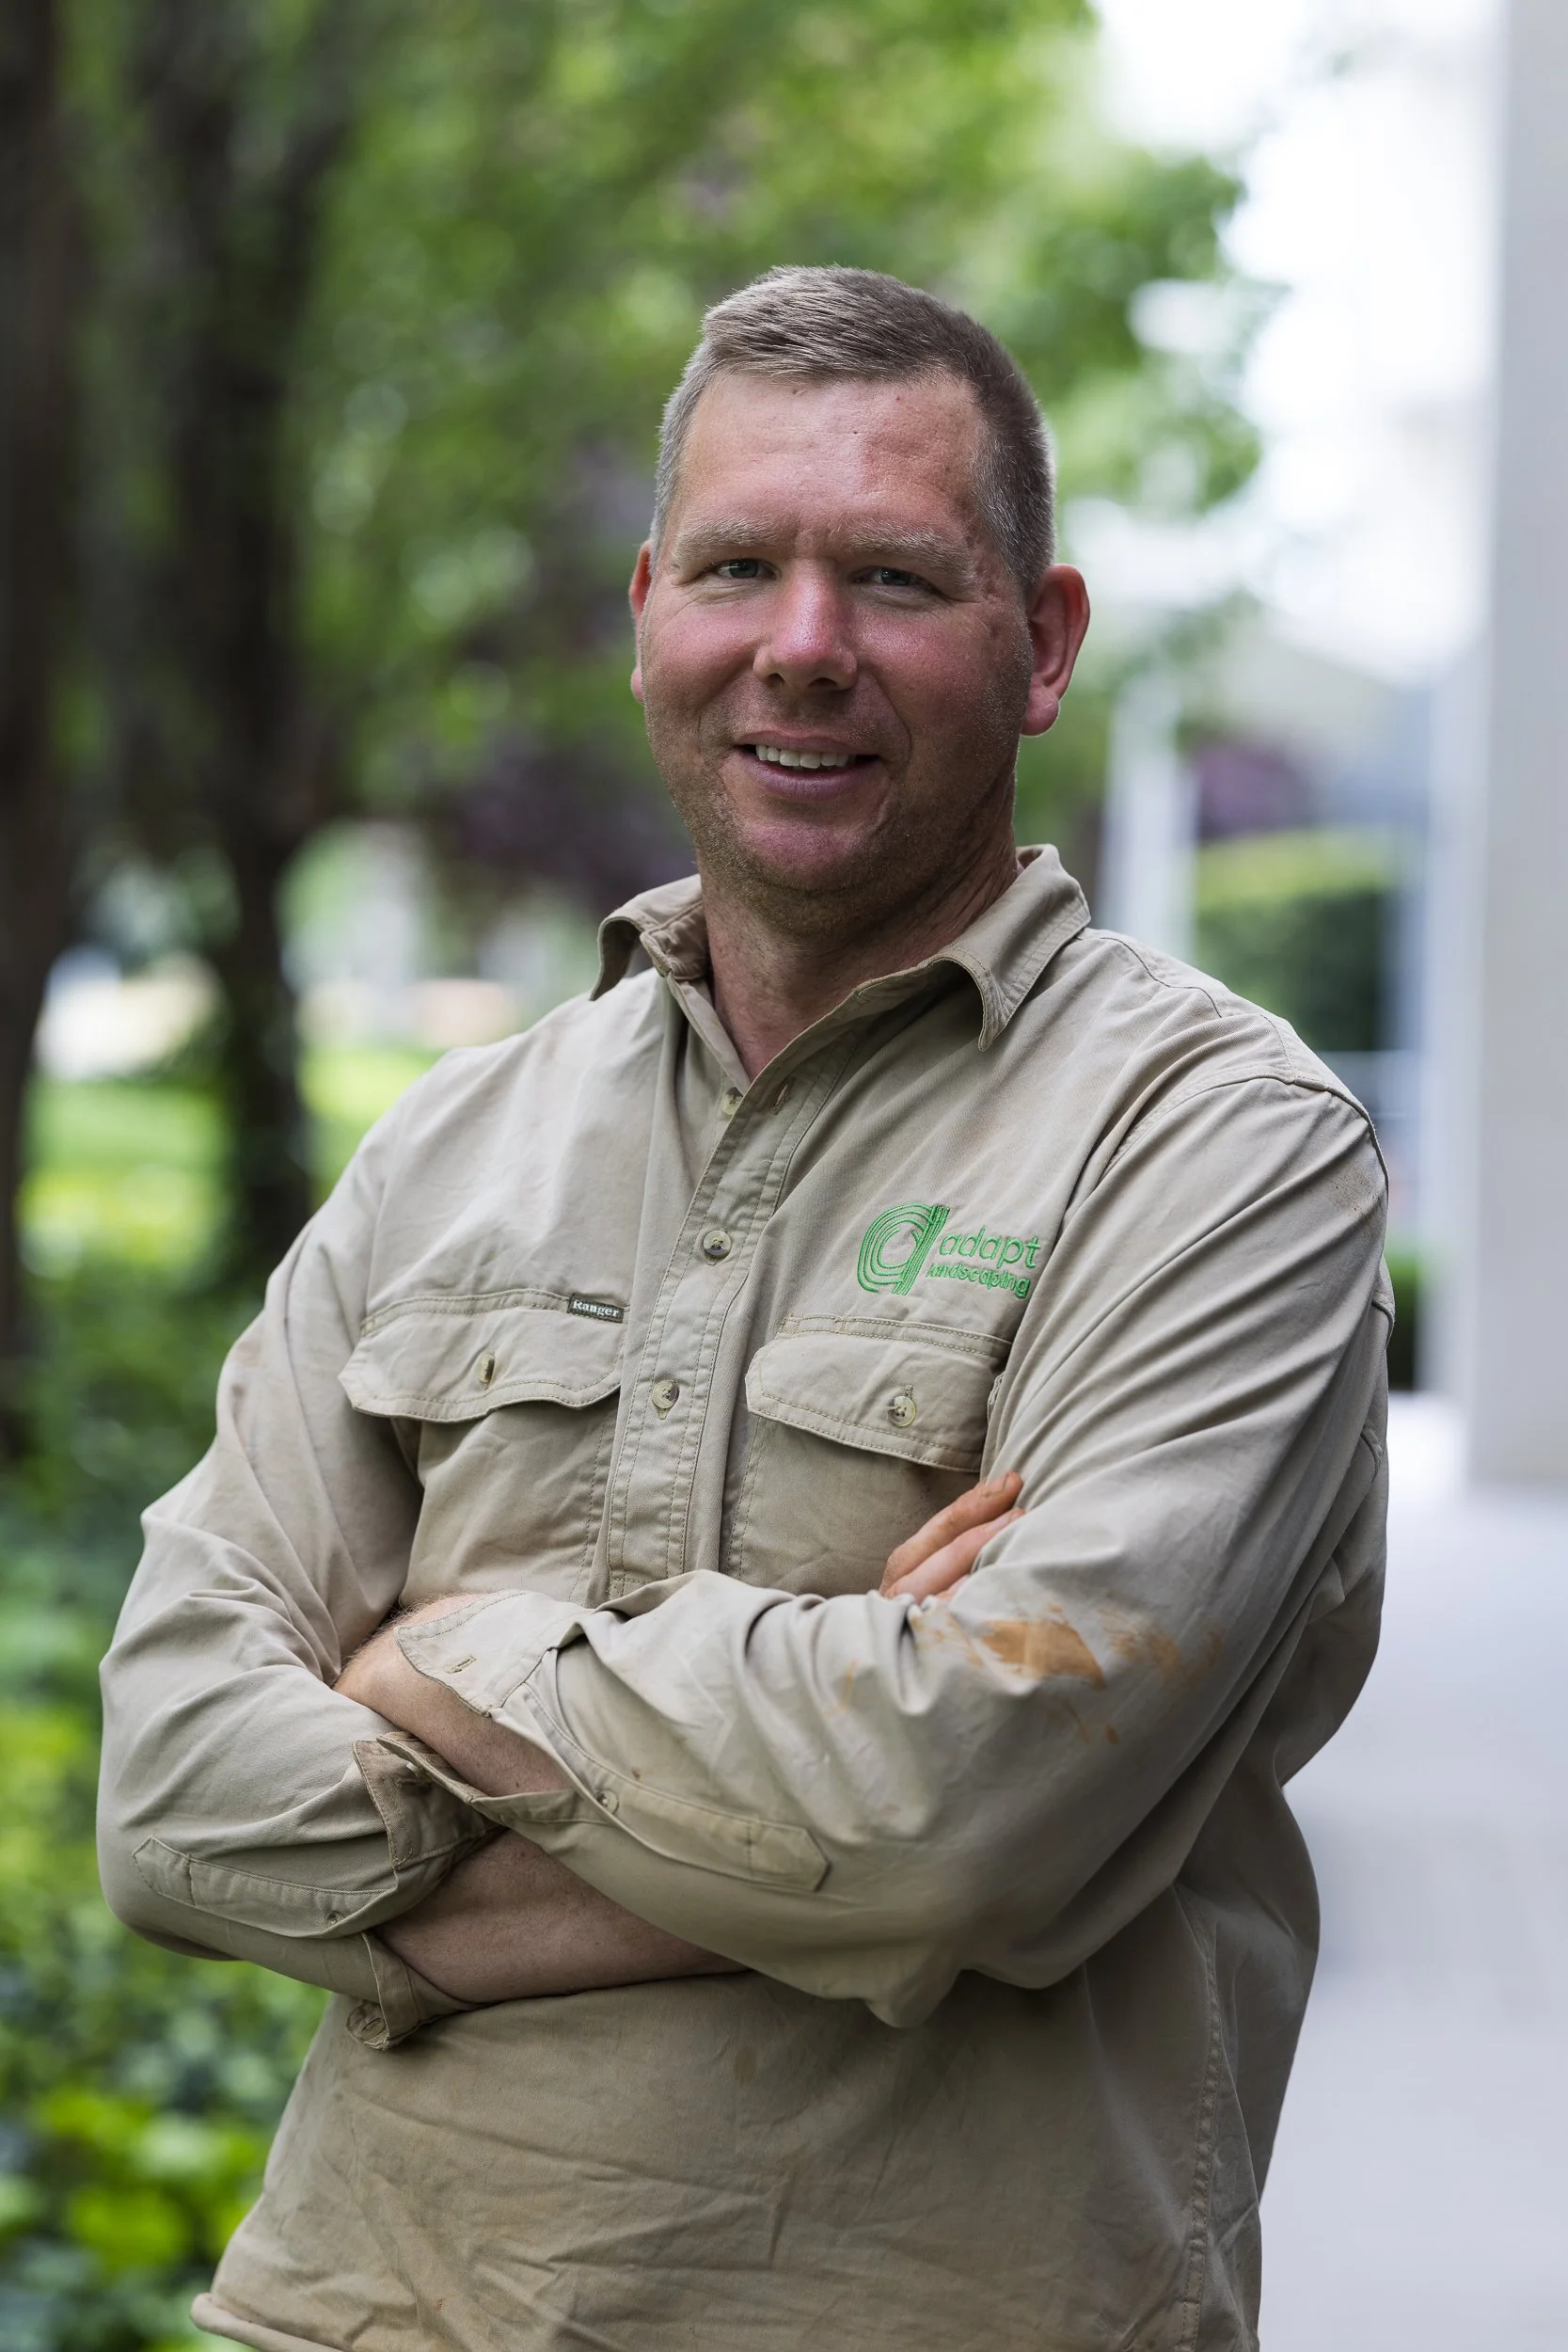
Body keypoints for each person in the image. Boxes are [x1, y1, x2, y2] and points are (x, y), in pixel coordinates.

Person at [98, 265, 1390, 2352]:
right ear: (644, 613)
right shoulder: (453, 1145)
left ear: (1039, 642)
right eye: (736, 566)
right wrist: (824, 1767)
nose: (802, 646)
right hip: (369, 2306)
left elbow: (959, 1813)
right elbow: (166, 1795)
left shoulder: (1214, 1147)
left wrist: (441, 1657)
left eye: (893, 575)